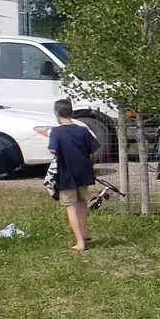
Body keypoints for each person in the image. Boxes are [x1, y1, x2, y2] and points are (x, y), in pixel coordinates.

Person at [39, 98, 101, 252]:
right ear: (71, 113)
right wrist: (91, 164)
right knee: (81, 201)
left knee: (70, 206)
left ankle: (80, 242)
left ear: (56, 114)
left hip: (66, 173)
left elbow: (53, 150)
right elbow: (95, 152)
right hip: (83, 171)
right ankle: (84, 231)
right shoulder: (83, 130)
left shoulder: (56, 132)